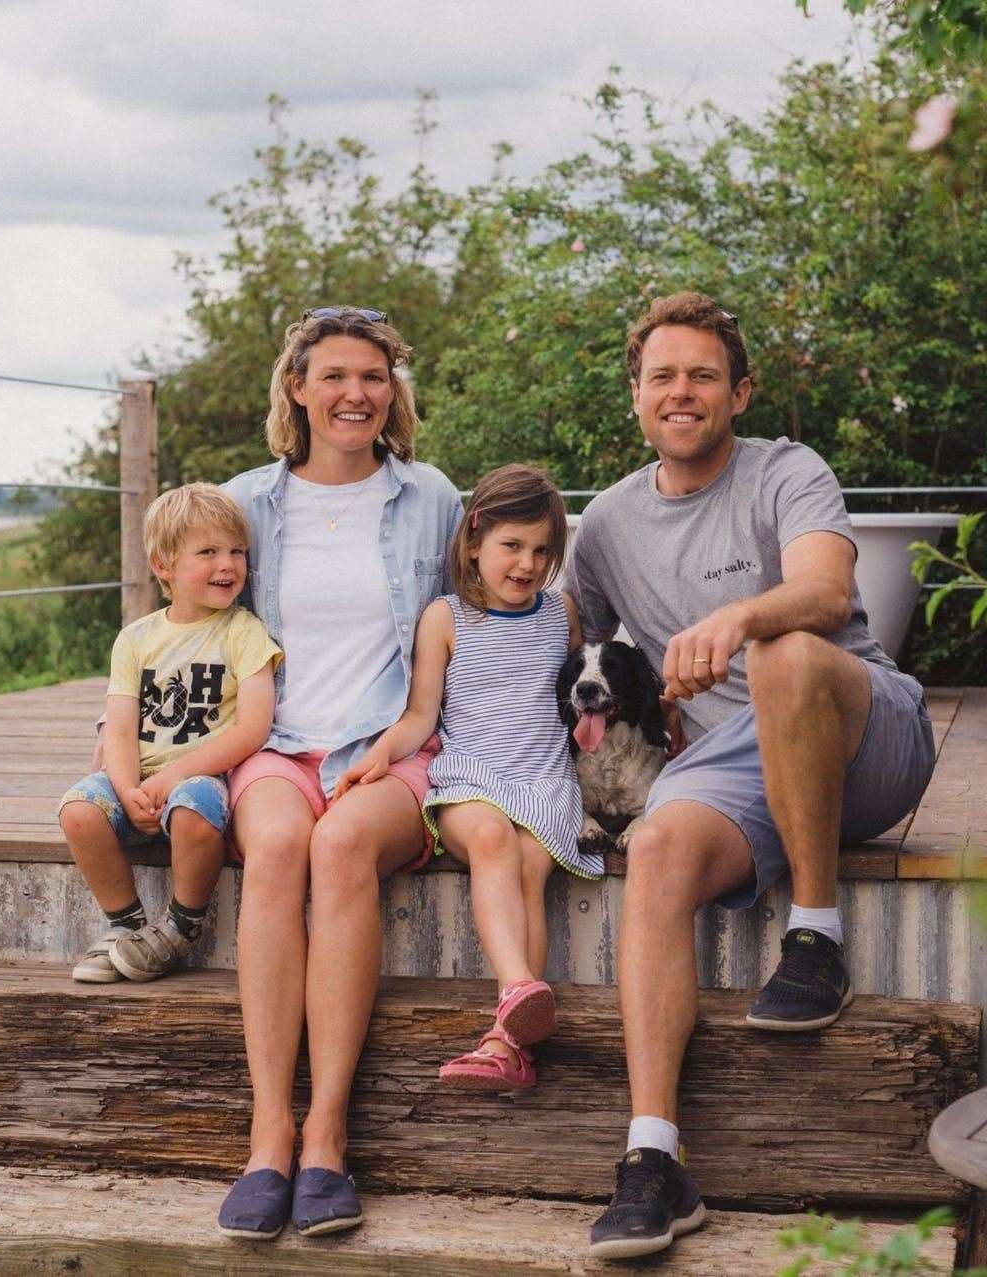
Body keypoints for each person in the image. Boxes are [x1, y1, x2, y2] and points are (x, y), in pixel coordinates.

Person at [570, 292, 938, 1261]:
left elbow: (825, 592)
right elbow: (560, 640)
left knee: (784, 651)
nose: (680, 391)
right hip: (734, 764)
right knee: (652, 847)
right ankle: (654, 1158)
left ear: (739, 390)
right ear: (637, 394)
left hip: (861, 729)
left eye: (701, 374)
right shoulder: (604, 522)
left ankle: (814, 932)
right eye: (662, 375)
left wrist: (740, 618)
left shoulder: (786, 470)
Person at [212, 307, 462, 1241]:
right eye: (335, 376)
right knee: (279, 846)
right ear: (298, 388)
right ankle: (267, 1129)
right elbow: (193, 624)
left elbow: (484, 608)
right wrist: (135, 742)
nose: (355, 392)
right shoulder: (246, 502)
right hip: (275, 743)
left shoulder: (431, 494)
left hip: (392, 743)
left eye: (373, 376)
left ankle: (328, 1132)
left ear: (392, 392)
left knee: (342, 843)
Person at [335, 463, 597, 1092]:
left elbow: (576, 697)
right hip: (470, 776)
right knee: (491, 841)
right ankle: (517, 989)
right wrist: (380, 755)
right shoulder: (446, 618)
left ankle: (508, 1045)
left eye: (541, 551)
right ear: (474, 540)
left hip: (543, 777)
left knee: (531, 868)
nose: (526, 565)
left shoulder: (561, 613)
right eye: (511, 546)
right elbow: (422, 713)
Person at [59, 483, 281, 984]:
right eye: (208, 552)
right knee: (78, 810)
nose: (228, 565)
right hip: (138, 777)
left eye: (237, 552)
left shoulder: (242, 632)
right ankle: (124, 924)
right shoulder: (136, 639)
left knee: (195, 812)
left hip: (200, 775)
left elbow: (253, 727)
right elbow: (118, 729)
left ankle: (181, 925)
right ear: (164, 565)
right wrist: (125, 788)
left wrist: (175, 773)